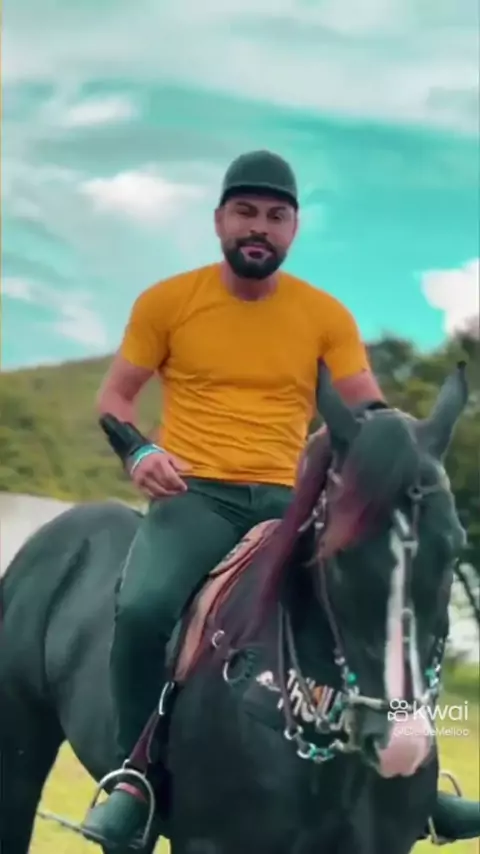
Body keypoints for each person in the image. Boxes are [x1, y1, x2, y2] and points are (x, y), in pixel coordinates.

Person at [82, 150, 480, 850]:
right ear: (219, 221)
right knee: (144, 608)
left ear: (293, 229)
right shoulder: (168, 303)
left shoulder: (324, 316)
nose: (258, 227)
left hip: (289, 501)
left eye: (275, 216)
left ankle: (418, 782)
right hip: (195, 497)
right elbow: (115, 398)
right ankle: (133, 776)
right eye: (246, 213)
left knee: (382, 599)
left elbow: (370, 412)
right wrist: (139, 452)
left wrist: (406, 449)